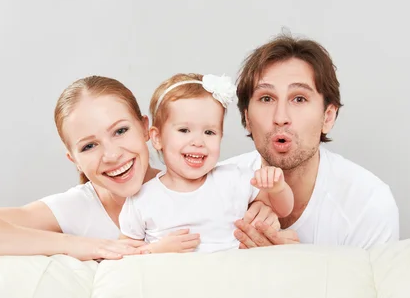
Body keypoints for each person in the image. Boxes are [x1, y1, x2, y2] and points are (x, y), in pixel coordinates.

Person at [0, 75, 286, 261]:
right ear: (74, 159)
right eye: (89, 146)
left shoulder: (204, 180)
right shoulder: (79, 207)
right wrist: (84, 246)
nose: (112, 155)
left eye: (120, 131)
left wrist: (262, 207)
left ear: (148, 129)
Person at [227, 33, 400, 249]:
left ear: (327, 117)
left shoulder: (367, 202)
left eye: (299, 99)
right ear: (246, 119)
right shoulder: (212, 188)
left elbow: (366, 284)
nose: (281, 118)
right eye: (266, 98)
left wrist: (297, 264)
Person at [118, 73, 294, 253]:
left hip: (231, 277)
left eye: (209, 132)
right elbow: (126, 253)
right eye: (184, 130)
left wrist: (277, 188)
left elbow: (284, 210)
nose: (198, 141)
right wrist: (155, 250)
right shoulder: (143, 199)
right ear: (157, 138)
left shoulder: (233, 178)